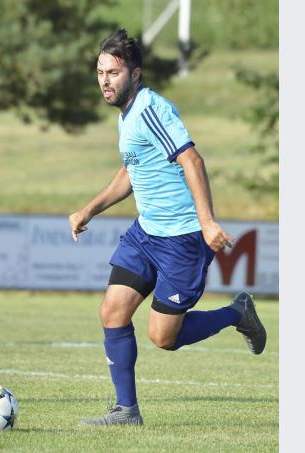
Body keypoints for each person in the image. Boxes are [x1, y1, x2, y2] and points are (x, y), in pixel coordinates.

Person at [69, 29, 267, 426]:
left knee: (164, 337)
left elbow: (191, 160)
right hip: (146, 234)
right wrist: (90, 209)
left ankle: (236, 313)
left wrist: (207, 222)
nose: (105, 80)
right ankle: (126, 411)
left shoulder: (151, 109)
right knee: (112, 311)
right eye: (100, 72)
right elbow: (132, 171)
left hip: (182, 239)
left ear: (136, 74)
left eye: (113, 72)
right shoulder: (126, 117)